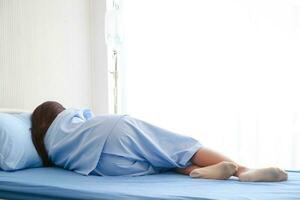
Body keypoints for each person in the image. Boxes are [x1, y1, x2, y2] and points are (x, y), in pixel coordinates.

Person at [31, 101, 287, 182]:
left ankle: (196, 173)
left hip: (102, 167)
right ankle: (243, 170)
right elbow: (88, 116)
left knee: (162, 163)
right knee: (181, 147)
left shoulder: (48, 150)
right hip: (112, 131)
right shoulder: (66, 116)